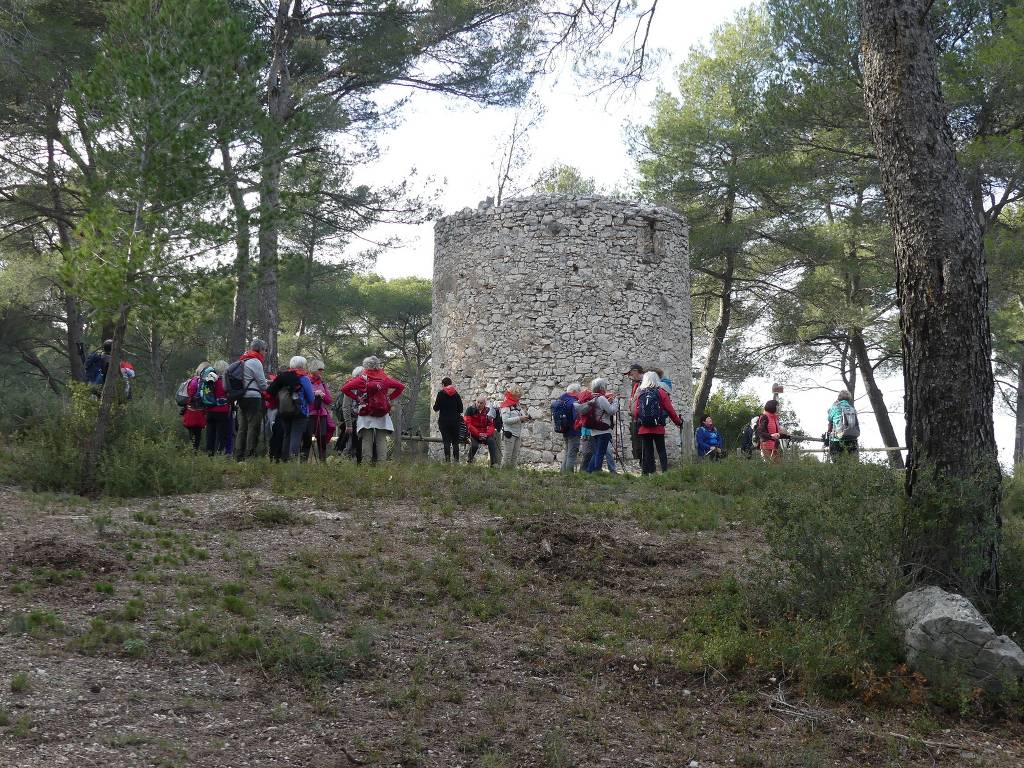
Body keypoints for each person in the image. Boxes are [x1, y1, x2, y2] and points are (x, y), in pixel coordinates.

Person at [341, 356, 405, 465]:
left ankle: (366, 464)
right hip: (382, 413)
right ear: (378, 365)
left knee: (367, 440)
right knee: (381, 440)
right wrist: (389, 398)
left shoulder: (362, 379)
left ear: (366, 366)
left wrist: (357, 398)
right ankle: (382, 465)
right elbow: (400, 387)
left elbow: (345, 388)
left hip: (366, 412)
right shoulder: (385, 378)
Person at [633, 371, 683, 474]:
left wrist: (639, 420)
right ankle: (665, 472)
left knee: (648, 451)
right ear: (657, 380)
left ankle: (652, 473)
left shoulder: (640, 393)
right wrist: (678, 422)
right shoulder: (661, 392)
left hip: (644, 427)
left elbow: (636, 411)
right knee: (661, 450)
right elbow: (670, 410)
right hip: (658, 427)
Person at [267, 356, 315, 462]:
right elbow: (311, 399)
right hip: (300, 411)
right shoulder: (304, 378)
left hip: (283, 410)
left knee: (287, 435)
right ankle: (292, 461)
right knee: (296, 436)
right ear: (302, 365)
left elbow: (270, 392)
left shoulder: (283, 377)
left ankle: (284, 460)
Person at [233, 339, 269, 461]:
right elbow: (263, 385)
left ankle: (239, 456)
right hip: (253, 398)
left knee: (242, 428)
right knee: (253, 427)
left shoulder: (243, 360)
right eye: (265, 350)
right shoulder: (255, 362)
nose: (265, 352)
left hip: (241, 398)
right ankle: (250, 456)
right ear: (259, 349)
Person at [302, 359, 335, 462]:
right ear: (313, 369)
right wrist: (314, 393)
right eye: (320, 369)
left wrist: (323, 395)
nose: (322, 371)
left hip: (322, 414)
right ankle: (303, 462)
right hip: (309, 414)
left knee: (322, 438)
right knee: (307, 438)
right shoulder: (306, 380)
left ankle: (322, 462)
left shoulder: (322, 383)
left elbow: (329, 400)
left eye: (322, 369)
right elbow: (303, 396)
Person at [584, 378, 618, 473]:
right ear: (602, 387)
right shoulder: (601, 398)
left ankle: (590, 471)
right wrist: (616, 402)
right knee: (600, 452)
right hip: (603, 429)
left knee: (596, 452)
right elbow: (611, 411)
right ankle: (596, 471)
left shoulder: (592, 397)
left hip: (594, 428)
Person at [499, 385, 532, 468]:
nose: (519, 398)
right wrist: (519, 418)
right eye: (518, 396)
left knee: (514, 456)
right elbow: (505, 420)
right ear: (513, 395)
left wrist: (525, 418)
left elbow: (520, 416)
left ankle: (513, 474)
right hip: (509, 434)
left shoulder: (517, 405)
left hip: (517, 433)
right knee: (507, 456)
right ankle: (502, 475)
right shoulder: (506, 406)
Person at [433, 377, 464, 463]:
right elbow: (461, 409)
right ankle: (456, 462)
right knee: (455, 442)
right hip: (455, 422)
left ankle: (447, 462)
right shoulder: (456, 394)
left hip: (444, 422)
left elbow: (436, 408)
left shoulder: (440, 394)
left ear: (443, 384)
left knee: (446, 442)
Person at [553, 383, 582, 473]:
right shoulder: (573, 402)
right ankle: (569, 476)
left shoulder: (562, 400)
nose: (579, 394)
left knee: (567, 452)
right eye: (578, 392)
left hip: (564, 430)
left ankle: (563, 473)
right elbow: (576, 418)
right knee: (572, 454)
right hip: (574, 431)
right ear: (574, 392)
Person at [204, 361, 231, 457]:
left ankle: (209, 456)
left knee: (210, 435)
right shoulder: (225, 381)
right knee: (221, 436)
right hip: (222, 412)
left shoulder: (210, 380)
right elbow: (229, 395)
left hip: (210, 410)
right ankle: (219, 456)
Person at [180, 362, 208, 451]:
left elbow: (189, 395)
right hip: (198, 413)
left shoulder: (191, 380)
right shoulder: (201, 382)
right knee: (197, 435)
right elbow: (202, 396)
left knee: (191, 434)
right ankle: (194, 453)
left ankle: (192, 453)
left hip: (189, 411)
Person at [464, 395, 499, 466]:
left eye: (481, 403)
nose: (479, 404)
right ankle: (469, 461)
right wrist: (478, 434)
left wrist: (487, 434)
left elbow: (491, 425)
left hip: (485, 434)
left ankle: (493, 464)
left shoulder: (488, 411)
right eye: (478, 402)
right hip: (473, 434)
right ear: (475, 402)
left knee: (492, 442)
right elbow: (468, 424)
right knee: (474, 445)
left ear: (484, 404)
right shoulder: (470, 410)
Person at [826, 389, 860, 460]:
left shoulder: (835, 408)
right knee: (853, 463)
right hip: (852, 438)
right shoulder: (852, 408)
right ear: (849, 399)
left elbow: (829, 419)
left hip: (837, 440)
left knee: (837, 464)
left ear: (838, 398)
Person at [623, 363, 644, 463]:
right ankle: (643, 466)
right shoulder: (635, 384)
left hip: (641, 418)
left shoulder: (644, 383)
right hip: (635, 418)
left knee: (642, 444)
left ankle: (646, 468)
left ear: (635, 371)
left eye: (630, 374)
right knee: (637, 445)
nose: (629, 377)